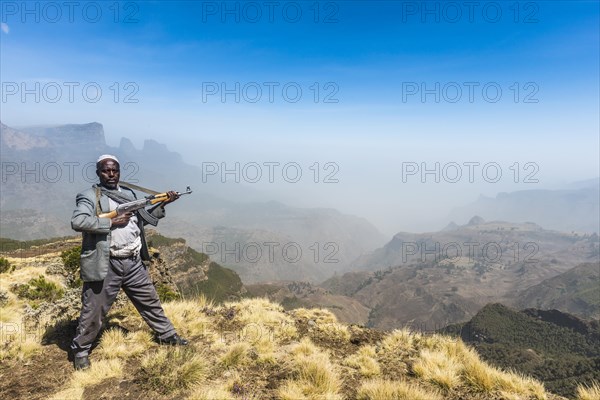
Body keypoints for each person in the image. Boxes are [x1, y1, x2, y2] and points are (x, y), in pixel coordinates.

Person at [70, 154, 188, 370]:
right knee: (94, 310)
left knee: (150, 301)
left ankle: (168, 335)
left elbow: (143, 218)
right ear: (98, 172)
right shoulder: (89, 196)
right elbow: (78, 221)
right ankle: (80, 351)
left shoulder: (129, 194)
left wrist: (165, 202)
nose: (111, 174)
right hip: (107, 264)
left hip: (133, 262)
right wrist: (111, 221)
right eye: (106, 170)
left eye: (115, 170)